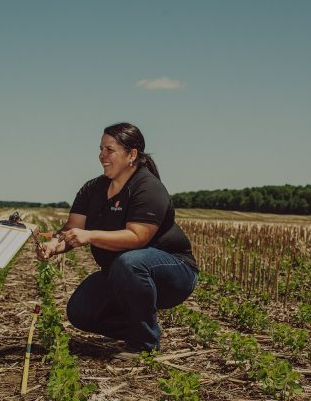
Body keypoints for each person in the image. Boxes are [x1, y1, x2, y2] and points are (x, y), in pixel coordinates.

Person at [37, 123, 198, 352]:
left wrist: (90, 235)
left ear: (131, 155)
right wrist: (54, 245)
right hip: (120, 272)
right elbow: (72, 227)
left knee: (130, 262)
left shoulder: (148, 188)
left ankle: (145, 344)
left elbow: (137, 238)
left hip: (173, 273)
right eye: (100, 149)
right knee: (81, 311)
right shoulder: (92, 189)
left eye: (109, 150)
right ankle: (141, 328)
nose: (102, 155)